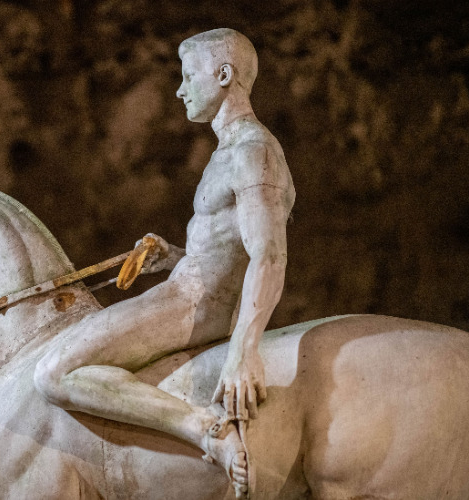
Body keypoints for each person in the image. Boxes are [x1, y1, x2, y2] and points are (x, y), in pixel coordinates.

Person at [34, 28, 294, 498]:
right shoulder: (231, 150)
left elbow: (269, 254)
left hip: (194, 306)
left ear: (223, 75)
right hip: (186, 289)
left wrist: (243, 351)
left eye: (188, 76)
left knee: (54, 372)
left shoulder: (253, 153)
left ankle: (204, 431)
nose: (179, 89)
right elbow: (228, 252)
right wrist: (173, 257)